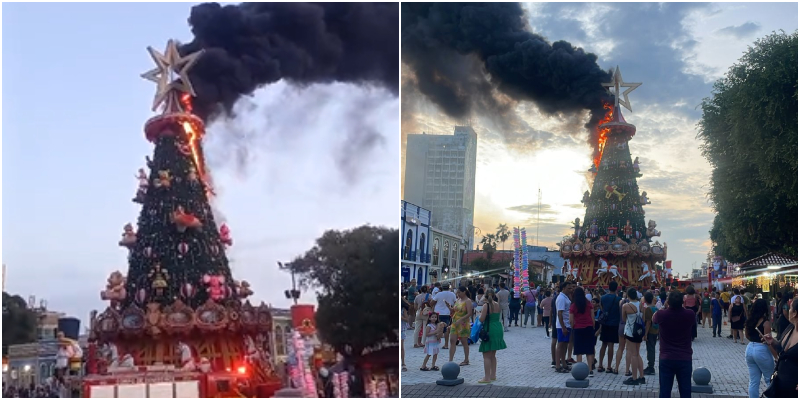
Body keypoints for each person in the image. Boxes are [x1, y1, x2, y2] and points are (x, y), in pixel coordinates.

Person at [653, 290, 695, 398]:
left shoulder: (661, 314)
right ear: (682, 301)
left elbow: (654, 319)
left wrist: (664, 307)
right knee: (685, 391)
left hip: (666, 357)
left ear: (668, 301)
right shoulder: (690, 314)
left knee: (665, 391)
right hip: (684, 357)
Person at [761, 298, 797, 398]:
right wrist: (772, 342)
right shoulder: (790, 328)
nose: (787, 311)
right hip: (780, 383)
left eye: (790, 308)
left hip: (794, 387)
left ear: (795, 313)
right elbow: (782, 350)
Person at [744, 299, 775, 398]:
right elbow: (768, 342)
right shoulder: (766, 323)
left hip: (749, 348)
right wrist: (776, 356)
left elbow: (747, 336)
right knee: (769, 379)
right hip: (761, 349)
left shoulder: (750, 320)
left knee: (753, 381)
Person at [478, 288, 507, 384]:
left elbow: (481, 319)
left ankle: (487, 377)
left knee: (486, 355)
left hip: (489, 329)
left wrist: (479, 314)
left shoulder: (486, 305)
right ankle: (493, 375)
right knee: (493, 355)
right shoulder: (497, 304)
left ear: (485, 296)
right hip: (498, 328)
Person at [570, 286, 596, 377]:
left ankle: (579, 369)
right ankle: (590, 370)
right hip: (588, 327)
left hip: (578, 328)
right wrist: (593, 326)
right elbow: (592, 317)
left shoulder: (573, 305)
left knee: (579, 351)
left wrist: (573, 326)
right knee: (589, 350)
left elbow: (571, 320)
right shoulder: (589, 304)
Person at [598, 281, 622, 374]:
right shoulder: (618, 299)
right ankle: (609, 366)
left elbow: (602, 308)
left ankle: (600, 365)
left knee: (603, 344)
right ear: (617, 288)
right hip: (614, 323)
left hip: (605, 323)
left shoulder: (603, 297)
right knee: (611, 345)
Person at [622, 288, 644, 385]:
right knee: (637, 353)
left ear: (628, 295)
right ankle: (641, 376)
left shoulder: (625, 306)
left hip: (630, 332)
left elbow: (623, 319)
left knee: (633, 354)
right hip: (639, 331)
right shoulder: (640, 305)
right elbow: (643, 318)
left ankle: (634, 378)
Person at [448, 286, 473, 366]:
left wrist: (461, 319)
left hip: (463, 323)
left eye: (459, 292)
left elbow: (469, 313)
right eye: (457, 292)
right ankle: (450, 360)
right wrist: (449, 308)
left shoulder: (468, 301)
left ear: (464, 292)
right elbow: (454, 310)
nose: (457, 294)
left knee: (464, 341)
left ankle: (466, 359)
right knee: (452, 340)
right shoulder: (458, 300)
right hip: (455, 322)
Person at [555, 281, 575, 373]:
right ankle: (558, 365)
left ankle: (564, 363)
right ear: (563, 288)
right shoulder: (561, 298)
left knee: (565, 345)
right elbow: (560, 313)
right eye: (569, 288)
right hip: (562, 325)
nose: (570, 290)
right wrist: (563, 327)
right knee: (560, 344)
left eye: (571, 288)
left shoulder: (566, 297)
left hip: (567, 324)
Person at [430, 283, 457, 350]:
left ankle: (435, 343)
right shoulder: (452, 294)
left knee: (437, 328)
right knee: (446, 329)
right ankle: (446, 344)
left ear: (441, 288)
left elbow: (431, 303)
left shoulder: (438, 294)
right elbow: (456, 303)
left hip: (438, 313)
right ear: (449, 287)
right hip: (448, 313)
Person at [643, 291, 659, 376]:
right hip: (655, 331)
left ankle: (651, 367)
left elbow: (648, 322)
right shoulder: (655, 308)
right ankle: (650, 366)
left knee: (650, 349)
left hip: (650, 331)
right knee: (652, 348)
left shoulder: (648, 309)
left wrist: (645, 334)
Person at [549, 287, 559, 367]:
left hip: (554, 321)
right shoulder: (562, 298)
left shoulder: (554, 298)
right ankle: (558, 359)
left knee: (554, 341)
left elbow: (551, 311)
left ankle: (554, 359)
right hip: (558, 321)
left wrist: (550, 321)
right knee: (560, 342)